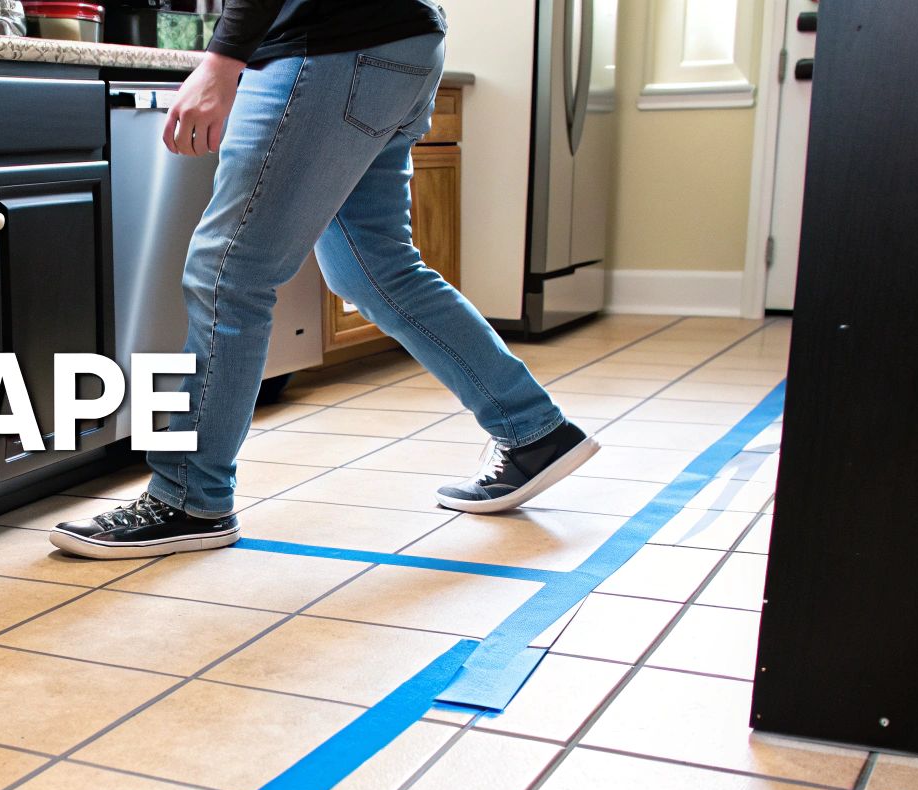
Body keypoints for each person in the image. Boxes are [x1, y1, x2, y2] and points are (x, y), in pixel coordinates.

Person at [51, 0, 599, 559]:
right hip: (399, 42)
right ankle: (533, 430)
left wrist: (219, 63)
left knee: (231, 272)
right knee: (376, 270)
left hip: (331, 46)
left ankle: (189, 497)